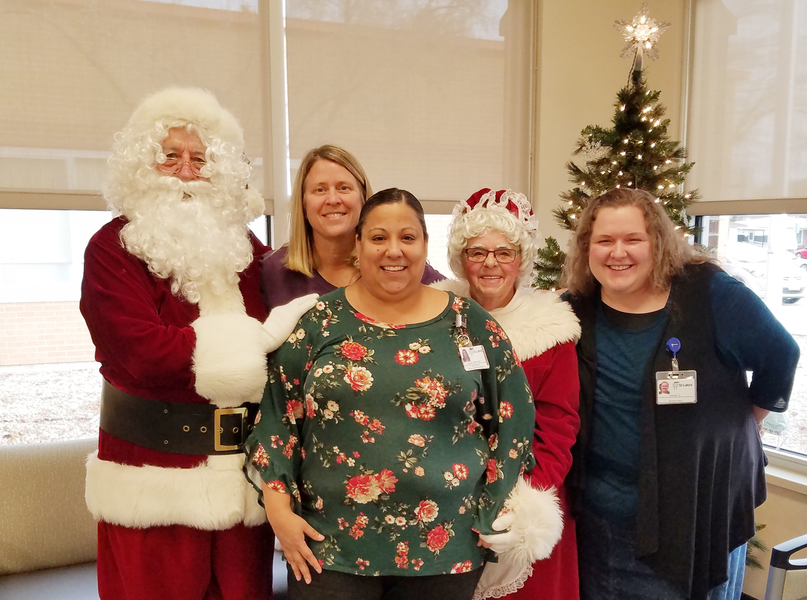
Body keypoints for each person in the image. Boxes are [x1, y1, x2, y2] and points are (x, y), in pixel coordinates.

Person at [80, 87, 316, 600]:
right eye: (170, 157)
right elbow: (140, 351)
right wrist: (250, 347)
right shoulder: (110, 248)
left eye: (200, 159)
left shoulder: (246, 248)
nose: (187, 170)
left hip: (241, 480)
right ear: (143, 166)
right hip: (152, 478)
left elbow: (290, 327)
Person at [245, 188, 536, 600]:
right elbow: (276, 419)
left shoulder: (472, 324)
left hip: (446, 549)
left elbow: (513, 420)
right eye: (379, 238)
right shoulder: (318, 323)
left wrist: (492, 507)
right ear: (359, 245)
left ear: (425, 245)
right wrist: (278, 513)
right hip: (328, 547)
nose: (393, 251)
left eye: (408, 237)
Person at [561, 188, 800, 600]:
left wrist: (750, 419)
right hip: (604, 521)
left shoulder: (710, 294)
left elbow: (780, 354)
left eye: (633, 239)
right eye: (604, 241)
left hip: (695, 513)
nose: (618, 252)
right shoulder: (575, 308)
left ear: (659, 240)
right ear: (587, 248)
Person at [436, 188, 580, 600]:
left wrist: (521, 504)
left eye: (504, 252)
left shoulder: (550, 330)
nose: (490, 264)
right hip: (447, 494)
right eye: (477, 252)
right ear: (461, 259)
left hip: (523, 492)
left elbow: (559, 426)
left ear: (521, 258)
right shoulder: (435, 312)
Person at [260, 145, 443, 309]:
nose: (332, 199)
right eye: (320, 190)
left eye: (344, 188)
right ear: (303, 205)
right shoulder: (272, 272)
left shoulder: (397, 266)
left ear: (364, 199)